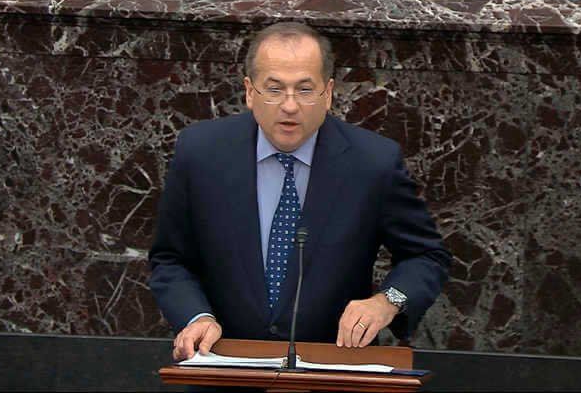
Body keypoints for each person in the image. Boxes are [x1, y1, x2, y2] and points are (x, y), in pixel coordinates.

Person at [148, 22, 452, 362]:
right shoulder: (201, 153)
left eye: (305, 90)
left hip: (333, 369)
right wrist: (196, 317)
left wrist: (387, 301)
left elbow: (426, 256)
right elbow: (170, 259)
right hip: (224, 366)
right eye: (274, 89)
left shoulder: (373, 162)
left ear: (329, 93)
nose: (290, 106)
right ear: (249, 92)